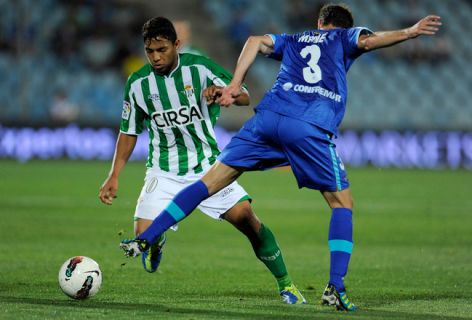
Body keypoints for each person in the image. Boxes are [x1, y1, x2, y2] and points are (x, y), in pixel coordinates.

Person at [120, 5, 442, 311]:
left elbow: (254, 41)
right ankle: (336, 288)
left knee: (210, 181)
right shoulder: (343, 37)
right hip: (308, 124)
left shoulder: (295, 38)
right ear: (342, 28)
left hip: (267, 118)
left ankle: (146, 238)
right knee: (342, 203)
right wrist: (410, 32)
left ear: (318, 23)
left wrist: (234, 84)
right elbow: (371, 40)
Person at [98, 17, 305, 305]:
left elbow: (243, 96)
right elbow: (128, 131)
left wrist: (223, 93)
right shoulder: (137, 84)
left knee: (248, 220)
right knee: (143, 238)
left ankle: (287, 285)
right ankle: (156, 242)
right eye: (150, 51)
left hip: (208, 168)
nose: (156, 57)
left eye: (162, 49)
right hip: (163, 170)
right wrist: (114, 174)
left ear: (177, 45)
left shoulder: (200, 68)